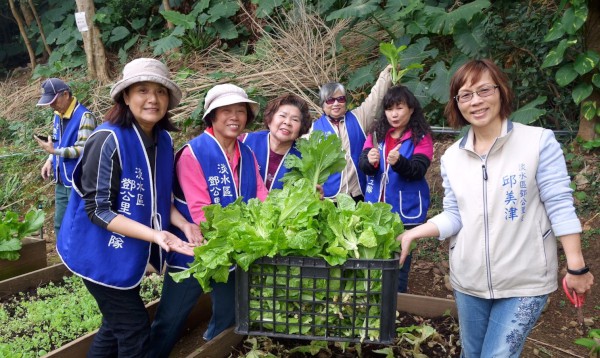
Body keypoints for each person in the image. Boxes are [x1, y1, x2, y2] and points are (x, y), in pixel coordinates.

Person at [397, 59, 594, 357]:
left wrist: (576, 266)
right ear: (456, 103)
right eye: (465, 94)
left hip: (525, 282)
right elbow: (454, 213)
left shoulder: (538, 142)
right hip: (468, 281)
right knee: (472, 353)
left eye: (484, 90)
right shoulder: (452, 156)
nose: (475, 101)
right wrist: (412, 234)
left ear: (500, 91)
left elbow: (560, 205)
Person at [56, 58, 197, 357]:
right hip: (95, 250)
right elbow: (99, 210)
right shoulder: (107, 139)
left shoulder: (163, 139)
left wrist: (183, 225)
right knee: (133, 329)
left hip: (126, 251)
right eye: (142, 90)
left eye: (160, 92)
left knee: (114, 325)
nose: (152, 99)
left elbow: (159, 197)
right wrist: (156, 236)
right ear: (126, 96)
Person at [149, 84, 269, 357]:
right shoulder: (193, 153)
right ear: (211, 116)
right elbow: (200, 209)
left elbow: (261, 196)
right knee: (172, 315)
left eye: (241, 111)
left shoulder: (247, 153)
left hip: (231, 250)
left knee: (228, 312)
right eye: (226, 111)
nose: (235, 117)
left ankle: (211, 347)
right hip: (193, 249)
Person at [358, 85, 433, 293]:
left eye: (399, 108)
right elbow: (364, 165)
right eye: (389, 109)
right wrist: (369, 160)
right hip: (375, 209)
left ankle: (396, 303)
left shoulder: (421, 136)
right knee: (372, 258)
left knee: (399, 262)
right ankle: (373, 299)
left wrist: (399, 162)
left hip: (404, 212)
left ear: (411, 109)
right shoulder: (376, 133)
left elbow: (418, 169)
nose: (394, 114)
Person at [312, 65, 392, 201]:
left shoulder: (359, 117)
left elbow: (376, 97)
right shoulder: (312, 129)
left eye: (340, 99)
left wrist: (387, 74)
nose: (336, 103)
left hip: (359, 192)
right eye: (330, 100)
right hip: (330, 197)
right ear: (323, 105)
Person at [35, 78, 96, 237]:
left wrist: (55, 151)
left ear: (66, 94)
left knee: (78, 224)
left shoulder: (85, 117)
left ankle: (80, 259)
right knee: (60, 223)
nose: (51, 105)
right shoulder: (58, 115)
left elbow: (83, 149)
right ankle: (62, 256)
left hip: (78, 180)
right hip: (61, 179)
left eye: (54, 101)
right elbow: (57, 141)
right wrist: (50, 159)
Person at [241, 93, 312, 190]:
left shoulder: (304, 157)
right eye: (282, 116)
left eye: (295, 120)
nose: (287, 122)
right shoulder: (244, 141)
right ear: (270, 120)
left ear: (301, 128)